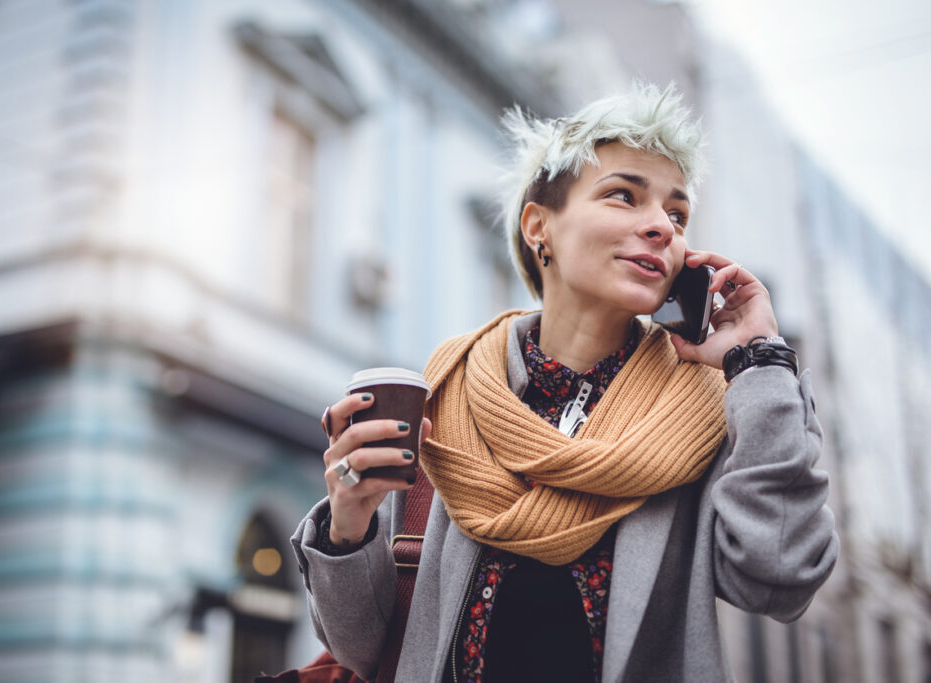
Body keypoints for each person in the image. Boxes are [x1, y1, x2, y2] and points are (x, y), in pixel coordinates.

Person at [290, 83, 839, 683]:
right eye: (624, 196)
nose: (661, 226)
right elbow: (367, 648)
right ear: (538, 227)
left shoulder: (702, 411)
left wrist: (760, 360)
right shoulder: (447, 397)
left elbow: (781, 577)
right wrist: (349, 522)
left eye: (677, 213)